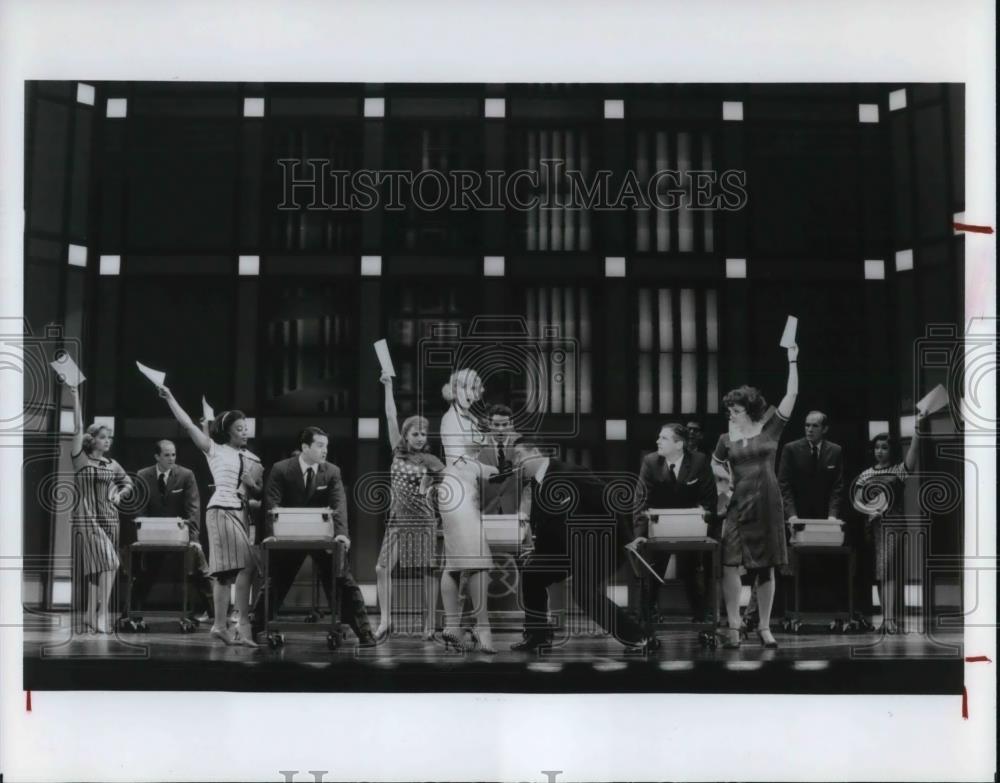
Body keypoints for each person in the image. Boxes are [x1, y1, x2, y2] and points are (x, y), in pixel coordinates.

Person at [510, 437, 651, 653]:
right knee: (532, 572)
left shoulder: (568, 472)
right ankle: (537, 636)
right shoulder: (537, 484)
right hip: (567, 550)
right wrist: (536, 555)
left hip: (598, 546)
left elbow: (609, 498)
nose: (515, 462)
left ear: (535, 452)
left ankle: (639, 639)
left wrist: (628, 538)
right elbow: (548, 528)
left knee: (583, 594)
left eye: (518, 455)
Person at [157, 386, 262, 647]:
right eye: (239, 428)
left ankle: (221, 626)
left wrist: (251, 484)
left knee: (227, 573)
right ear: (227, 431)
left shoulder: (252, 458)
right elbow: (186, 424)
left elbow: (257, 490)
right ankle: (235, 623)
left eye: (245, 427)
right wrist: (171, 397)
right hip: (221, 510)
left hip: (240, 512)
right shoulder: (215, 449)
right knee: (240, 565)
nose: (244, 431)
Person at [711, 343, 799, 649]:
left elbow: (791, 396)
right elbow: (716, 468)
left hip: (767, 503)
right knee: (728, 563)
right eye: (730, 411)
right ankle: (734, 626)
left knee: (767, 566)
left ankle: (763, 627)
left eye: (736, 410)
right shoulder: (725, 439)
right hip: (737, 505)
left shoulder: (770, 429)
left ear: (749, 409)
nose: (732, 415)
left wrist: (792, 358)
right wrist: (724, 491)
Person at [260, 427, 375, 646]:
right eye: (320, 446)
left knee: (344, 580)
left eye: (326, 446)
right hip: (289, 536)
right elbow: (270, 504)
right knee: (275, 580)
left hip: (323, 537)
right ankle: (256, 627)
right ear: (305, 447)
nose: (325, 451)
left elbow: (339, 505)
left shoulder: (332, 471)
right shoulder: (281, 469)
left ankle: (365, 633)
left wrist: (342, 535)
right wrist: (271, 535)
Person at [628, 424, 719, 629]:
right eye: (659, 437)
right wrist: (640, 535)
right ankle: (647, 618)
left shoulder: (699, 461)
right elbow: (641, 500)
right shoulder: (650, 462)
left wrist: (703, 524)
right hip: (658, 528)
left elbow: (709, 501)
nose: (658, 441)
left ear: (679, 444)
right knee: (651, 571)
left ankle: (701, 618)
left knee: (693, 573)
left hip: (691, 529)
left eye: (664, 438)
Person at [375, 374, 444, 641]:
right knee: (381, 568)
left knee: (427, 571)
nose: (420, 437)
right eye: (415, 433)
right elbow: (390, 416)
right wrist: (389, 386)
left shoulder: (431, 460)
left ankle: (429, 624)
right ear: (405, 435)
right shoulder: (397, 451)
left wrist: (431, 485)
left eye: (423, 433)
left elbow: (447, 486)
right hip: (397, 519)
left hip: (423, 519)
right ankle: (385, 620)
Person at [438, 368, 499, 653]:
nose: (469, 393)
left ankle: (453, 625)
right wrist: (491, 470)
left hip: (467, 491)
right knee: (479, 559)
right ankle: (481, 626)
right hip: (456, 491)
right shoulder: (450, 420)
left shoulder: (468, 418)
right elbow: (459, 461)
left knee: (455, 562)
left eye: (473, 389)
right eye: (463, 387)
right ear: (455, 388)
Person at [68, 385, 133, 634]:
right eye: (104, 437)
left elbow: (128, 483)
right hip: (88, 518)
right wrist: (74, 396)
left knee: (99, 567)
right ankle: (102, 614)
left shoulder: (112, 463)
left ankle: (87, 615)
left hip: (110, 518)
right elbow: (76, 428)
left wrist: (119, 493)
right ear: (92, 439)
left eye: (110, 438)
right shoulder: (80, 458)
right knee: (111, 564)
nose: (108, 441)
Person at [851, 417, 924, 634]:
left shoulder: (898, 471)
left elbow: (913, 454)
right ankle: (887, 619)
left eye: (884, 447)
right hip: (873, 528)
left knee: (890, 572)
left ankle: (890, 620)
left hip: (894, 527)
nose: (880, 451)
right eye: (877, 447)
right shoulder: (867, 474)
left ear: (891, 450)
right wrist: (870, 511)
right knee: (880, 573)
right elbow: (857, 500)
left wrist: (918, 432)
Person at [132, 440, 213, 622]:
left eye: (173, 454)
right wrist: (144, 534)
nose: (171, 458)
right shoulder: (143, 475)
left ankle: (217, 615)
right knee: (144, 573)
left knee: (201, 571)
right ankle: (132, 615)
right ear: (157, 457)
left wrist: (193, 538)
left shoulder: (186, 475)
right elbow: (139, 508)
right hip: (152, 537)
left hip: (181, 535)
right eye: (167, 455)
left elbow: (193, 509)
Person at [778, 411, 844, 524]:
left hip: (825, 515)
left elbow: (837, 486)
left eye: (815, 426)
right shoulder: (791, 449)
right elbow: (784, 484)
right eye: (807, 425)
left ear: (824, 429)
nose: (810, 429)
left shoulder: (835, 451)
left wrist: (832, 515)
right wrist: (792, 515)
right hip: (797, 515)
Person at [479, 404, 520, 515]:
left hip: (514, 513)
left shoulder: (521, 445)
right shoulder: (478, 445)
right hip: (486, 512)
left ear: (511, 424)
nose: (500, 430)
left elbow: (527, 484)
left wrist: (525, 513)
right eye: (496, 425)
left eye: (504, 425)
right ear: (490, 424)